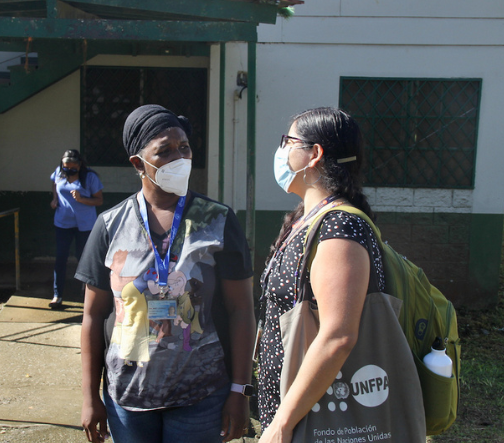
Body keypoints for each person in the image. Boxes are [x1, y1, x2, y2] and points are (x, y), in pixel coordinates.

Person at [76, 104, 255, 443]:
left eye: (184, 147)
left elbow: (242, 309)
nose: (180, 158)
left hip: (201, 396)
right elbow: (92, 315)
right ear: (138, 163)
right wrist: (89, 395)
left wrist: (240, 390)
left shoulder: (217, 220)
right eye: (165, 151)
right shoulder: (110, 226)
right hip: (127, 400)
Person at [257, 107, 426, 442]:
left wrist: (282, 423)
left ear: (314, 154)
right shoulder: (304, 220)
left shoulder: (340, 228)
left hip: (321, 417)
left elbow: (338, 336)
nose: (281, 151)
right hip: (299, 409)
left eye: (287, 142)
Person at [49, 149, 103, 309]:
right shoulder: (59, 172)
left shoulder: (90, 177)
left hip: (85, 225)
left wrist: (82, 199)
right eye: (66, 166)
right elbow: (54, 183)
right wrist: (54, 199)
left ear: (79, 166)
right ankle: (57, 295)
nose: (69, 169)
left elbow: (99, 201)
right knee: (60, 258)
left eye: (73, 167)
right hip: (63, 222)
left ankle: (85, 288)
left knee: (84, 258)